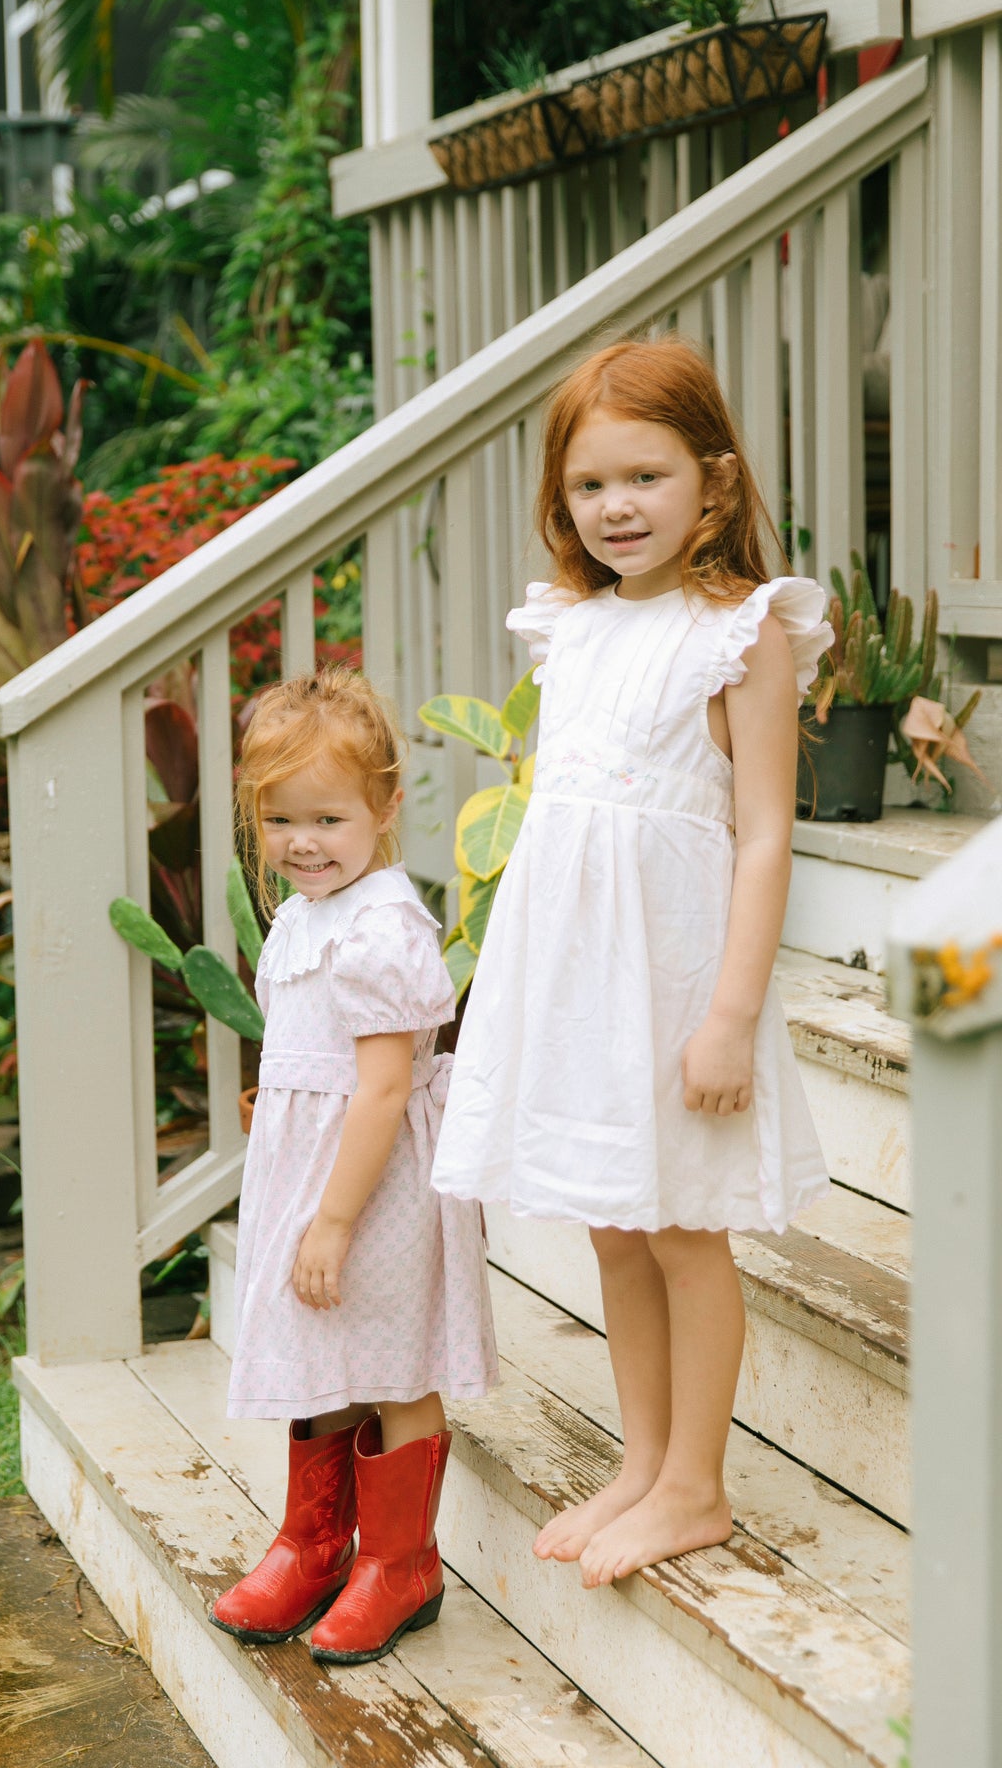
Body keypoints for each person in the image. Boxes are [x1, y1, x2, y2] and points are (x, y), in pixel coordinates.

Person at [432, 337, 833, 1589]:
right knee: (612, 1224)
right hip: (577, 984)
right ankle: (645, 1459)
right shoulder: (571, 628)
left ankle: (695, 1488)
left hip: (672, 985)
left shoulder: (740, 632)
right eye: (588, 484)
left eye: (645, 477)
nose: (615, 507)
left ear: (711, 485)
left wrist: (728, 1015)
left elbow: (762, 834)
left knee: (678, 1229)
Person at [210, 667, 498, 1665]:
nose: (301, 841)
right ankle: (314, 1541)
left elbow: (378, 1091)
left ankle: (400, 1562)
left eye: (327, 817)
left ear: (383, 805)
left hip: (370, 1187)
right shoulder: (302, 914)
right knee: (323, 1351)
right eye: (279, 819)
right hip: (313, 1179)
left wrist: (331, 1219)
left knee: (393, 1360)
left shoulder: (381, 927)